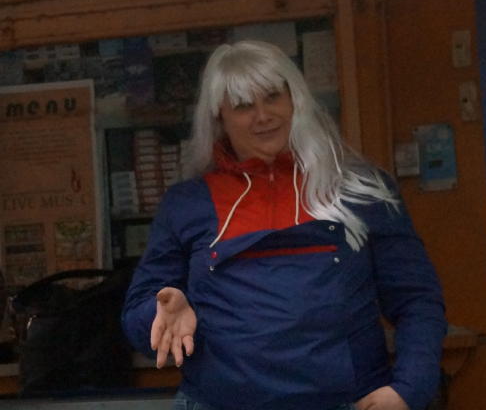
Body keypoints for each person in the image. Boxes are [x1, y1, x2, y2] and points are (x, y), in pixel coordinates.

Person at [122, 40, 447, 410]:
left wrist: (408, 389)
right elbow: (137, 320)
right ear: (219, 118)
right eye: (243, 105)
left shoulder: (361, 191)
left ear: (296, 100)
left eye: (273, 97)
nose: (263, 116)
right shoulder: (187, 204)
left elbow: (416, 300)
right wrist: (160, 313)